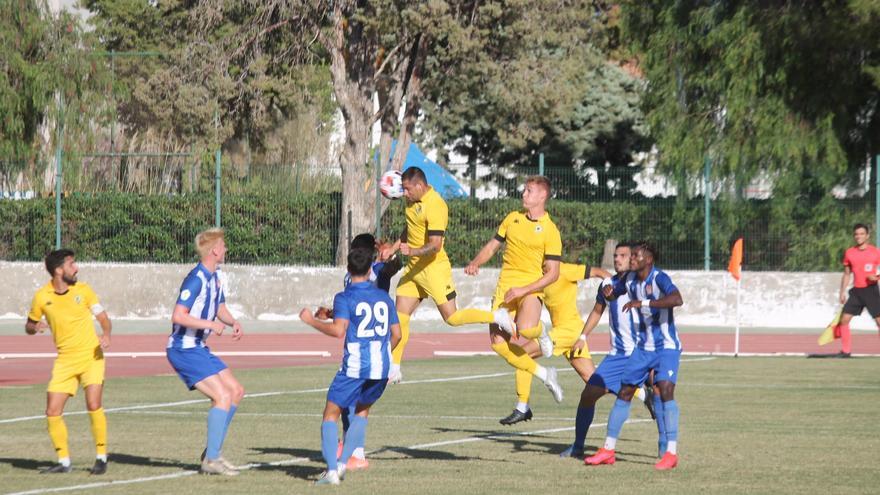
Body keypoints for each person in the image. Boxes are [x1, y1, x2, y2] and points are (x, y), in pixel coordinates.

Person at [380, 167, 509, 383]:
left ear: (420, 186)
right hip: (414, 270)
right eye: (403, 189)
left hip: (434, 269)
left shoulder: (436, 205)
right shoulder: (411, 201)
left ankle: (497, 316)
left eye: (408, 189)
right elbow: (410, 228)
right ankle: (394, 368)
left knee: (452, 318)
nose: (405, 193)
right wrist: (393, 249)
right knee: (400, 316)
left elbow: (435, 245)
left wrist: (411, 250)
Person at [299, 247, 402, 486]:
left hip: (355, 366)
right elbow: (396, 334)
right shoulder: (384, 298)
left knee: (330, 416)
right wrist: (383, 352)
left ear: (348, 269)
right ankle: (344, 462)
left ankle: (332, 471)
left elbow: (338, 331)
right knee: (362, 412)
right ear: (369, 270)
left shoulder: (344, 296)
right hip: (381, 366)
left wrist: (311, 321)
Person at [463, 176, 564, 404]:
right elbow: (492, 245)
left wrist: (522, 290)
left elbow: (553, 273)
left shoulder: (550, 230)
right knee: (499, 346)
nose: (524, 195)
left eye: (529, 191)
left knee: (527, 331)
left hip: (530, 288)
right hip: (505, 288)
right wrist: (476, 262)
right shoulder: (512, 218)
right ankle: (545, 374)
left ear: (542, 196)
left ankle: (542, 332)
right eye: (524, 190)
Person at [585, 241, 683, 470]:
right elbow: (613, 293)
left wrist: (644, 302)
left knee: (665, 389)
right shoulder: (628, 279)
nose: (632, 259)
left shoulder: (659, 278)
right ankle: (608, 450)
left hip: (666, 347)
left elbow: (677, 299)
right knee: (626, 391)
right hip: (642, 348)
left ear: (648, 259)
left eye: (636, 256)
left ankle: (671, 453)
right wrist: (609, 294)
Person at [560, 243, 656, 459]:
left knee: (662, 395)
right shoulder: (607, 284)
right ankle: (578, 447)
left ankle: (666, 449)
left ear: (633, 258)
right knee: (588, 396)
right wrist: (582, 337)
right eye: (615, 255)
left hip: (641, 351)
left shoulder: (641, 282)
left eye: (622, 255)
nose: (617, 259)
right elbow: (597, 311)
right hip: (618, 355)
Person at [166, 228, 245, 476]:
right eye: (223, 245)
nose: (226, 249)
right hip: (183, 349)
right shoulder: (196, 278)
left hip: (199, 348)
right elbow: (179, 316)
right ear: (214, 250)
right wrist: (211, 325)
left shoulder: (216, 277)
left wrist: (232, 321)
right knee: (221, 396)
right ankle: (212, 459)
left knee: (236, 391)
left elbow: (219, 307)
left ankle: (212, 451)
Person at [26, 249, 112, 475]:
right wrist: (34, 328)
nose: (77, 268)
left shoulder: (83, 290)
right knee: (52, 410)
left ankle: (101, 457)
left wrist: (106, 334)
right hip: (65, 361)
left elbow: (103, 318)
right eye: (72, 264)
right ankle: (64, 462)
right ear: (58, 270)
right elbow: (29, 325)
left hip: (91, 356)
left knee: (93, 404)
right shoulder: (41, 296)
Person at [498, 260, 610, 425]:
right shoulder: (539, 276)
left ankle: (523, 407)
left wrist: (616, 288)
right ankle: (641, 392)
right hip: (570, 333)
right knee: (594, 382)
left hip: (568, 332)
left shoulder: (565, 269)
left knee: (522, 354)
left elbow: (600, 272)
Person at [330, 232, 402, 470]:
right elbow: (395, 267)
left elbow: (393, 268)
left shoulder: (367, 273)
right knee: (354, 404)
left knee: (350, 402)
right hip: (369, 349)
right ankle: (352, 448)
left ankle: (356, 452)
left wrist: (390, 255)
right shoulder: (369, 272)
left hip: (366, 350)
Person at [837, 223, 880, 357]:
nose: (859, 236)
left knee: (879, 322)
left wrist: (877, 276)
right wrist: (842, 291)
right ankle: (846, 351)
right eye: (856, 234)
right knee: (844, 320)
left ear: (867, 236)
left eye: (862, 234)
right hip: (856, 292)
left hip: (871, 290)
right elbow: (847, 273)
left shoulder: (875, 252)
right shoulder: (850, 252)